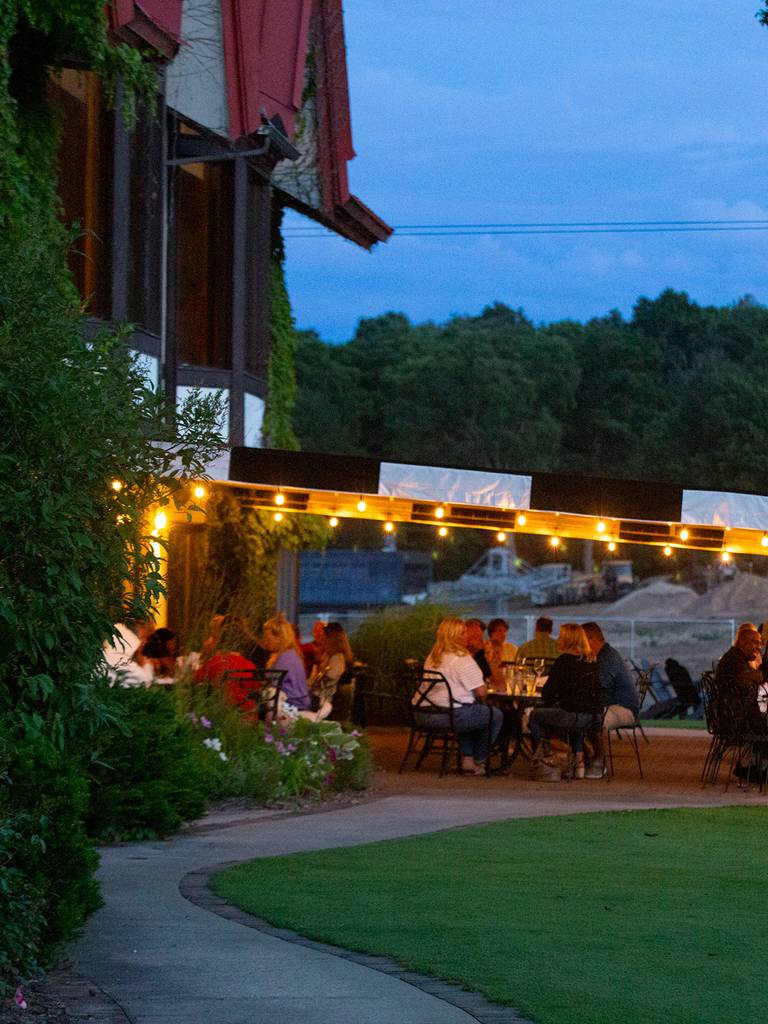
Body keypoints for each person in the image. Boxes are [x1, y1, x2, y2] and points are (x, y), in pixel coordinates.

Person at [417, 617, 503, 775]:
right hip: (448, 716)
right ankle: (479, 759)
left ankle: (467, 760)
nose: (467, 636)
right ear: (454, 636)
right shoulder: (462, 659)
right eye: (463, 633)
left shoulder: (433, 656)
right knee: (494, 715)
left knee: (469, 710)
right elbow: (481, 692)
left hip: (422, 714)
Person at [528, 623, 601, 781]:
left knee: (535, 715)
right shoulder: (592, 661)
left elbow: (547, 694)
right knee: (574, 718)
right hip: (593, 717)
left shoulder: (564, 661)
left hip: (572, 716)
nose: (557, 640)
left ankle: (546, 758)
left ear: (569, 640)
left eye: (560, 637)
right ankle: (578, 764)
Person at [582, 622, 639, 778]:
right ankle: (586, 757)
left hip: (624, 707)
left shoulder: (608, 657)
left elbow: (601, 685)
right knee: (578, 715)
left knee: (593, 718)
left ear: (591, 639)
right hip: (609, 704)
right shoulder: (600, 655)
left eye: (582, 641)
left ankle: (599, 760)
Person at [714, 623, 767, 779]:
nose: (759, 647)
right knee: (763, 725)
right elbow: (757, 677)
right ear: (743, 642)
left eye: (760, 643)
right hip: (734, 720)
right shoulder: (735, 659)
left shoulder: (736, 657)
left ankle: (753, 767)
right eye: (755, 643)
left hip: (732, 717)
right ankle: (757, 769)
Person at [262, 612, 311, 711]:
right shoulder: (291, 654)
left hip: (292, 705)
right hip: (298, 702)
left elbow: (272, 685)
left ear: (279, 638)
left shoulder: (285, 659)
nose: (265, 641)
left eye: (268, 638)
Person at [309, 622, 353, 708]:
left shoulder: (337, 658)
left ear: (332, 638)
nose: (322, 638)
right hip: (324, 693)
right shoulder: (330, 655)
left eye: (325, 635)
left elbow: (329, 679)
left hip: (326, 697)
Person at [464, 618, 506, 691]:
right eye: (476, 636)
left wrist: (493, 662)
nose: (481, 640)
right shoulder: (461, 659)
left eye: (481, 636)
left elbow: (501, 685)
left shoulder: (481, 654)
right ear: (466, 638)